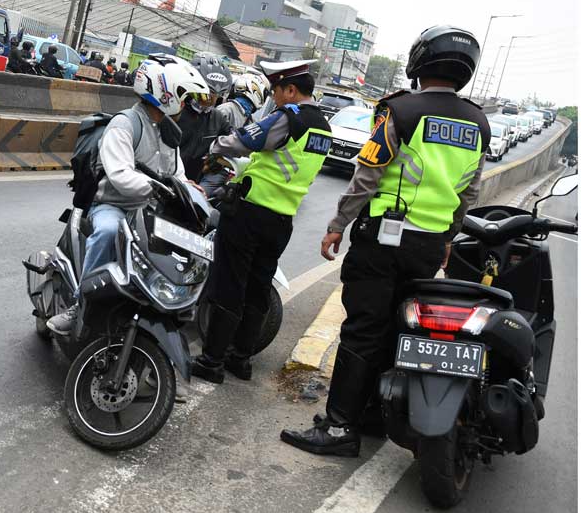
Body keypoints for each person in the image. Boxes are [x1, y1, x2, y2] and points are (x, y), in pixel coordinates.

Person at [280, 25, 491, 458]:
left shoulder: (400, 110)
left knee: (362, 330)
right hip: (429, 245)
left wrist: (338, 223)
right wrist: (448, 237)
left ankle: (340, 428)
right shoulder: (479, 122)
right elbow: (469, 192)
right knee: (400, 328)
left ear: (420, 62)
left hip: (384, 240)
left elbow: (368, 174)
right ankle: (375, 416)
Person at [190, 60, 332, 384]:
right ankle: (240, 360)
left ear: (291, 90)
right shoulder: (324, 127)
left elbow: (246, 140)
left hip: (249, 214)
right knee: (257, 290)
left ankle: (212, 361)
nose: (276, 99)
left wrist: (213, 146)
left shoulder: (289, 117)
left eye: (278, 91)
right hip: (282, 220)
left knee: (229, 284)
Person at [46, 57, 209, 337]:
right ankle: (80, 304)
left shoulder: (170, 131)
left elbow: (176, 172)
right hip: (113, 205)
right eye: (182, 96)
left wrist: (189, 188)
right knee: (109, 232)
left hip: (149, 210)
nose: (184, 104)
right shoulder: (124, 124)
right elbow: (120, 175)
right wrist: (156, 187)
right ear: (164, 92)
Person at [178, 52, 234, 185]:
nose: (212, 100)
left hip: (192, 187)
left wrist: (219, 159)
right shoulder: (174, 112)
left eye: (217, 95)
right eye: (208, 93)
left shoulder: (217, 118)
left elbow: (234, 140)